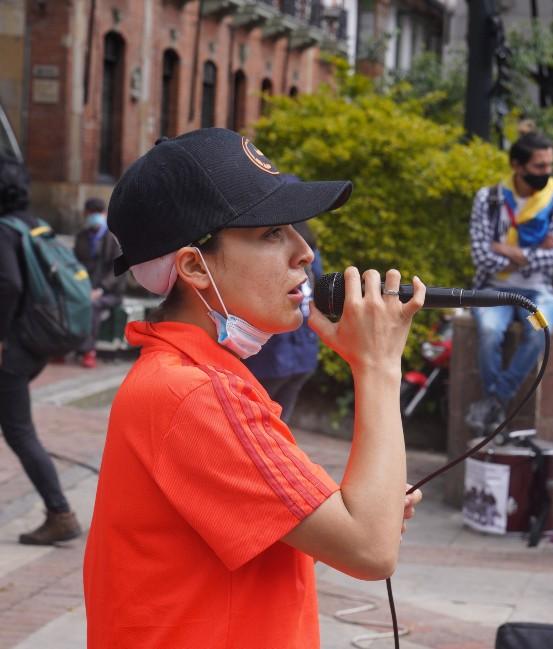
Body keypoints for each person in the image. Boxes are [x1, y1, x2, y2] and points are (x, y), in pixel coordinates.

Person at [83, 128, 424, 648]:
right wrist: (377, 366)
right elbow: (370, 550)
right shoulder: (195, 394)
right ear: (195, 266)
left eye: (294, 230)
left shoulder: (192, 375)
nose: (304, 252)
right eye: (270, 234)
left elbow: (341, 524)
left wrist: (361, 505)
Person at [0, 154, 83, 545]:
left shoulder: (4, 230)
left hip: (10, 351)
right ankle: (58, 511)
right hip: (32, 344)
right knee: (17, 428)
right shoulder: (35, 225)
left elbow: (10, 285)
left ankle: (60, 512)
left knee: (19, 431)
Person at [465, 131, 553, 433]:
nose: (547, 172)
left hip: (538, 291)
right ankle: (497, 404)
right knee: (488, 330)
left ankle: (496, 400)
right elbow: (481, 256)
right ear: (517, 165)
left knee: (540, 331)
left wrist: (506, 250)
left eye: (550, 165)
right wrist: (531, 254)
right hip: (493, 290)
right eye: (539, 166)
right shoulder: (489, 199)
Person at [243, 211, 322, 424]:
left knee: (255, 422)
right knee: (278, 422)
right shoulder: (308, 248)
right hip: (304, 349)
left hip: (274, 352)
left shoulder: (278, 245)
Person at [73, 197, 124, 368]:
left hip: (109, 293)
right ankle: (63, 346)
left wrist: (101, 289)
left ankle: (89, 351)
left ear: (104, 214)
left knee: (93, 305)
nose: (93, 217)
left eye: (97, 213)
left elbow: (118, 271)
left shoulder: (113, 239)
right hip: (84, 287)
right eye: (90, 213)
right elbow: (74, 264)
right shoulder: (81, 237)